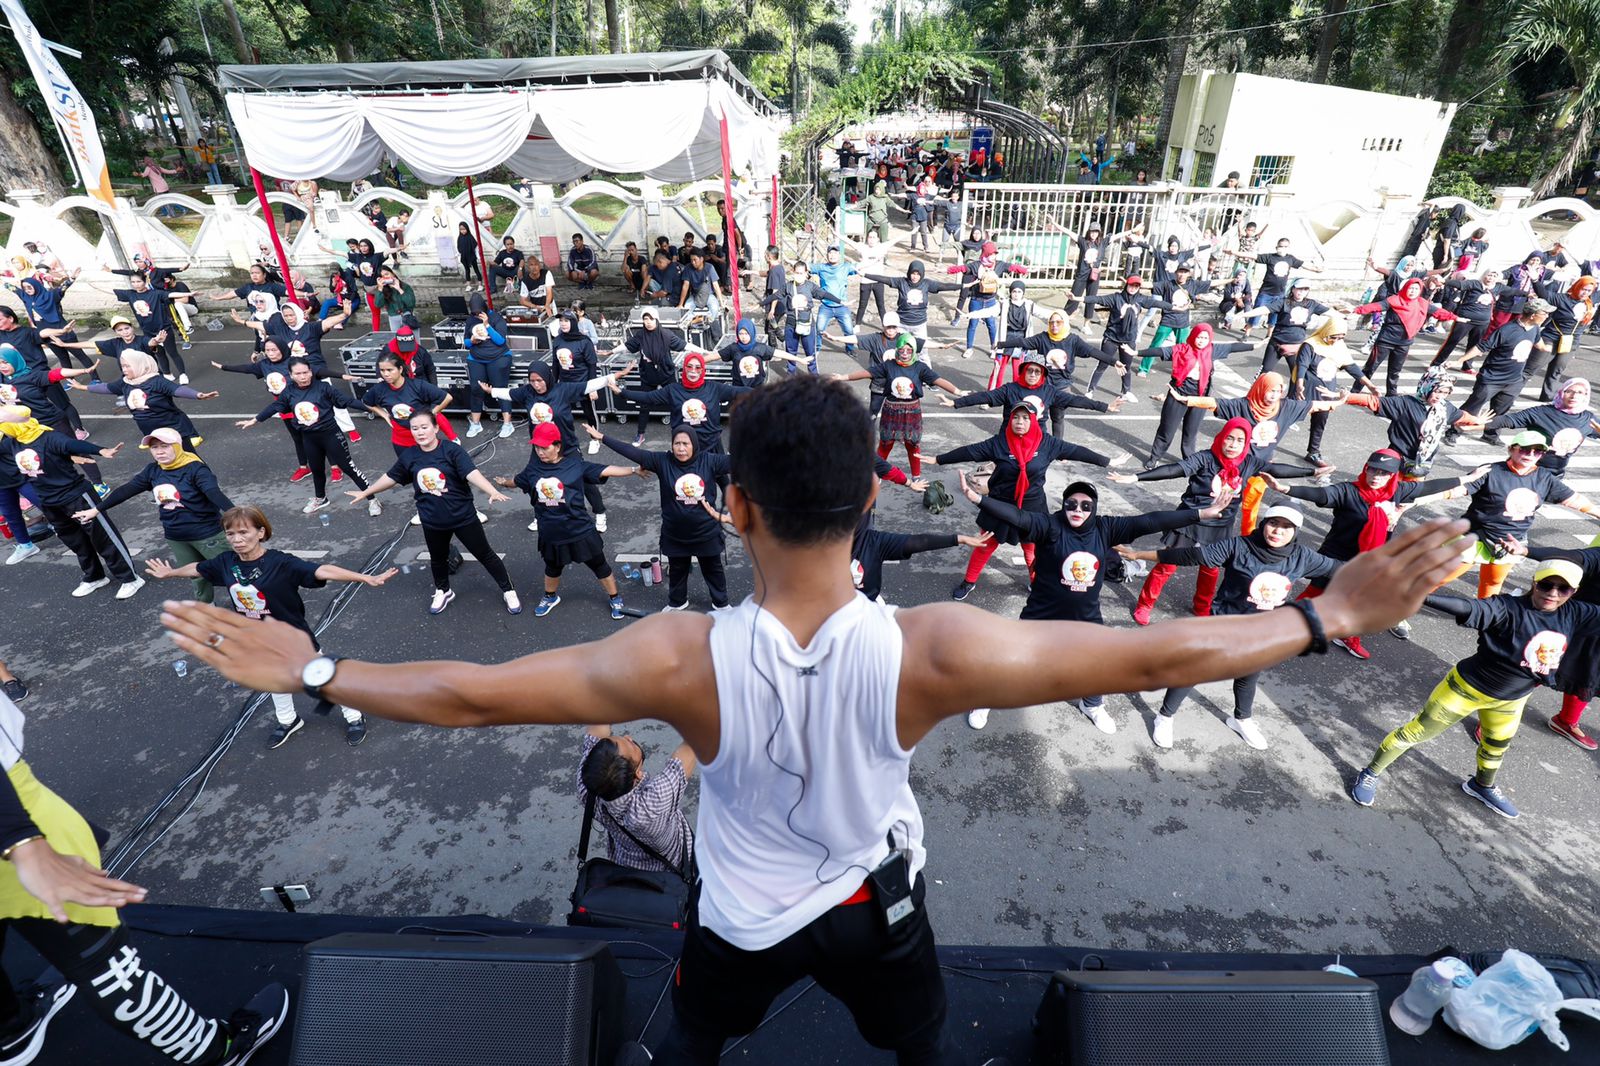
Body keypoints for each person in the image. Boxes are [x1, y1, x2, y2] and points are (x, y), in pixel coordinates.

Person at [158, 374, 1470, 1066]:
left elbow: (465, 693)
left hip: (735, 911)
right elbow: (1148, 654)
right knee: (912, 1029)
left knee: (698, 1032)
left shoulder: (682, 654)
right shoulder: (933, 647)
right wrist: (1327, 612)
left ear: (734, 507)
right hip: (875, 904)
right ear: (865, 504)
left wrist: (318, 671)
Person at [0, 683, 289, 1065]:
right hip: (18, 825)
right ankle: (217, 1052)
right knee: (106, 969)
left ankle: (10, 1030)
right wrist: (22, 841)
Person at [958, 471, 1229, 733]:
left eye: (1086, 505)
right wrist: (977, 498)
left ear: (1094, 508)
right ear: (1064, 505)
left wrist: (1200, 514)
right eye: (1071, 504)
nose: (1078, 509)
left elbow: (1151, 520)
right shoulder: (1049, 525)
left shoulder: (1106, 528)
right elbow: (1017, 515)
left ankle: (1092, 705)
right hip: (1042, 611)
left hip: (1085, 617)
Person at [1351, 558, 1600, 819]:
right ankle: (1370, 773)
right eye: (1547, 585)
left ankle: (1481, 785)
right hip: (1465, 690)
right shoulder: (1508, 608)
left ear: (1574, 591)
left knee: (1495, 747)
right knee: (1415, 732)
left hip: (1512, 701)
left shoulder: (1575, 613)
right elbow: (1469, 607)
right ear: (1534, 582)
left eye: (1564, 589)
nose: (1553, 593)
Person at [146, 505, 392, 747]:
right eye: (231, 534)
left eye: (244, 532)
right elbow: (199, 569)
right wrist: (172, 573)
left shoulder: (281, 563)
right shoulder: (225, 562)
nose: (237, 539)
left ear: (261, 533)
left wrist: (364, 577)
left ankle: (353, 714)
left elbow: (322, 570)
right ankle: (288, 720)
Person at [1119, 505, 1339, 749]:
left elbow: (1338, 569)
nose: (1277, 531)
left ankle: (1241, 719)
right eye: (1273, 523)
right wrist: (1139, 555)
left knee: (1248, 676)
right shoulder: (1239, 546)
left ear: (1296, 531)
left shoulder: (1303, 556)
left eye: (1286, 527)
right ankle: (1165, 716)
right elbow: (1192, 556)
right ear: (1263, 523)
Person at [1262, 449, 1482, 656]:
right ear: (1366, 468)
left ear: (1393, 476)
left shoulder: (1397, 492)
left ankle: (1347, 635)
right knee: (1315, 595)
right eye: (1373, 469)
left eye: (1385, 473)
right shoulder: (1348, 491)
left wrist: (1467, 478)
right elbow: (1322, 494)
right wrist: (1285, 489)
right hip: (1335, 557)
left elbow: (1430, 487)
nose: (1377, 476)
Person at [1114, 419, 1321, 624]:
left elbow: (1276, 470)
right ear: (1221, 437)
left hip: (1220, 525)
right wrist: (1137, 478)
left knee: (1210, 569)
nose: (1233, 444)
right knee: (1167, 563)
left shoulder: (1249, 462)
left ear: (1247, 443)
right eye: (1229, 438)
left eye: (1240, 440)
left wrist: (1311, 471)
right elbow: (1175, 469)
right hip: (1190, 520)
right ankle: (1145, 604)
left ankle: (1202, 607)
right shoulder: (1206, 458)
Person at [933, 404, 1115, 599]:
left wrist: (1106, 461)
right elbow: (970, 451)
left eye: (1025, 418)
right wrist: (939, 459)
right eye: (1016, 417)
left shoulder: (1047, 443)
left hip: (1032, 506)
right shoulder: (1000, 442)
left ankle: (1036, 583)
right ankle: (969, 582)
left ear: (1034, 420)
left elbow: (1076, 451)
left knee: (1032, 550)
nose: (1020, 422)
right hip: (999, 504)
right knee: (984, 544)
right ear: (1010, 420)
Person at [346, 411, 519, 616]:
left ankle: (508, 590)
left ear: (436, 428)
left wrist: (492, 491)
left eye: (424, 427)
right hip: (432, 520)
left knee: (485, 554)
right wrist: (367, 492)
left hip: (462, 516)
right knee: (438, 558)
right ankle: (443, 590)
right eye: (415, 428)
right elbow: (391, 477)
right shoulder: (409, 455)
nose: (420, 432)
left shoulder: (452, 451)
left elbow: (471, 473)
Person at [492, 422, 636, 619]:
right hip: (551, 533)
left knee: (600, 566)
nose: (540, 451)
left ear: (557, 446)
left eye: (545, 447)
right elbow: (516, 481)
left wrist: (635, 470)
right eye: (537, 447)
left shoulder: (575, 465)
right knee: (552, 568)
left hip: (580, 530)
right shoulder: (532, 470)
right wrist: (502, 484)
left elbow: (607, 470)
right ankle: (550, 597)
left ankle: (615, 598)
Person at [72, 428, 234, 602]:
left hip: (208, 536)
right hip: (177, 537)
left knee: (231, 574)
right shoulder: (153, 470)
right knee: (197, 577)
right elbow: (128, 489)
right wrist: (96, 509)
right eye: (155, 447)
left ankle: (250, 609)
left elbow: (213, 492)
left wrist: (236, 516)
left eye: (165, 446)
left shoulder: (196, 469)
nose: (159, 451)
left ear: (178, 446)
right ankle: (207, 608)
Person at [1433, 429, 1600, 598]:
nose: (1530, 454)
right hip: (1474, 535)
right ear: (1511, 449)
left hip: (1511, 542)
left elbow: (1575, 500)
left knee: (1493, 582)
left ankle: (1487, 618)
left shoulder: (1544, 478)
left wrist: (1597, 513)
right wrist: (1420, 495)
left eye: (1537, 451)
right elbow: (1459, 489)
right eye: (1525, 449)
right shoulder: (1490, 471)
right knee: (1441, 578)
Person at [586, 423, 733, 611]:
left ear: (694, 445)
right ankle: (677, 602)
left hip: (707, 533)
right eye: (677, 443)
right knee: (678, 570)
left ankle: (721, 603)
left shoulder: (710, 461)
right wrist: (602, 437)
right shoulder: (662, 461)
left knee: (713, 570)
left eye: (685, 444)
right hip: (675, 534)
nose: (680, 448)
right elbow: (632, 452)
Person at [0, 405, 137, 600]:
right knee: (76, 542)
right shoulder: (13, 444)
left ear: (14, 425)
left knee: (103, 538)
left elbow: (74, 445)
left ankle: (129, 578)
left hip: (75, 496)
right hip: (49, 501)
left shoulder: (49, 437)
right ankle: (94, 577)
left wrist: (102, 451)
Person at [234, 359, 376, 517]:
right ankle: (321, 498)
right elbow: (275, 406)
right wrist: (256, 420)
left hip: (331, 435)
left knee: (349, 468)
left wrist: (375, 409)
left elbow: (348, 401)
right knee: (316, 470)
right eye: (298, 373)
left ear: (311, 372)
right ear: (291, 375)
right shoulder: (289, 391)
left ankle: (371, 498)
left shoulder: (324, 388)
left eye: (305, 372)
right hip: (309, 438)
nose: (303, 376)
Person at [834, 335, 964, 477]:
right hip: (891, 410)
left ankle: (916, 476)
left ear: (914, 351)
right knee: (885, 443)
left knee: (912, 444)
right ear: (897, 350)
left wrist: (958, 391)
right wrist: (843, 377)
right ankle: (874, 475)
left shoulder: (920, 367)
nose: (905, 354)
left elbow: (938, 380)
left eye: (909, 350)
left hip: (912, 411)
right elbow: (867, 373)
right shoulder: (888, 365)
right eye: (902, 350)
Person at [578, 724, 695, 874]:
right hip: (674, 871)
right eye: (631, 745)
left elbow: (597, 723)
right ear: (638, 774)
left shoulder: (588, 787)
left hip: (626, 868)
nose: (628, 737)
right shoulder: (650, 807)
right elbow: (691, 745)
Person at [1136, 324, 1258, 464]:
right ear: (1194, 336)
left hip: (1200, 397)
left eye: (1205, 338)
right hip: (1178, 393)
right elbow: (1160, 351)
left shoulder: (1212, 349)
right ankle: (1155, 457)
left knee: (1191, 432)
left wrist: (1256, 345)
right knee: (1167, 429)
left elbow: (1233, 347)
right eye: (1199, 337)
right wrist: (1137, 353)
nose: (1202, 341)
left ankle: (1189, 460)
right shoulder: (1183, 349)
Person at [1343, 368, 1482, 481]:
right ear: (1426, 387)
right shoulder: (1405, 403)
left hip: (1421, 464)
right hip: (1397, 460)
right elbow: (1372, 401)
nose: (1440, 396)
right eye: (1437, 391)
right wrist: (1345, 397)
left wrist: (1477, 421)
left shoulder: (1445, 408)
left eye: (1446, 393)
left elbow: (1461, 416)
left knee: (1406, 500)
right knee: (1384, 496)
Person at [0, 348, 104, 490]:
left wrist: (84, 371)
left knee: (73, 449)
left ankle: (99, 483)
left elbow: (56, 374)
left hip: (52, 421)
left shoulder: (31, 376)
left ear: (15, 361)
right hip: (30, 429)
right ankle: (61, 487)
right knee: (44, 459)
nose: (2, 366)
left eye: (5, 362)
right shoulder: (3, 380)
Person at [1440, 298, 1552, 431]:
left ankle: (1491, 435)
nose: (1547, 316)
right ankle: (1454, 431)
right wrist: (1459, 360)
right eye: (1544, 313)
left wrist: (1547, 348)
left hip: (1513, 380)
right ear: (1533, 315)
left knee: (1500, 410)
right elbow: (1481, 347)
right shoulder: (1507, 330)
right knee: (1473, 407)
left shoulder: (1534, 329)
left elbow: (1538, 342)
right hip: (1491, 378)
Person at [77, 351, 218, 451]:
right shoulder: (125, 382)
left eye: (128, 366)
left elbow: (177, 389)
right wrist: (82, 387)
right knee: (164, 456)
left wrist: (198, 395)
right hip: (149, 428)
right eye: (123, 366)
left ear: (141, 365)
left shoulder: (156, 381)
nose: (124, 369)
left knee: (186, 455)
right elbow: (106, 388)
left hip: (173, 424)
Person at [1291, 316, 1379, 464]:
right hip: (1306, 389)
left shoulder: (1339, 346)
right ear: (1327, 331)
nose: (1336, 341)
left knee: (1320, 421)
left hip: (1326, 391)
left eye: (1341, 337)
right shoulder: (1311, 345)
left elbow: (1352, 367)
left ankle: (1313, 451)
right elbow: (1302, 365)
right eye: (1333, 337)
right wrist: (1299, 384)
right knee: (1290, 416)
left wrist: (1370, 385)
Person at [1483, 377, 1598, 478]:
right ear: (1562, 393)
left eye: (1580, 392)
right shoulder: (1542, 412)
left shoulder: (1588, 419)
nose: (1574, 396)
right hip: (1525, 469)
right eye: (1569, 391)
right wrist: (1472, 422)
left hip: (1554, 475)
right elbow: (1507, 420)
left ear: (1585, 396)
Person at [361, 351, 457, 455]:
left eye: (390, 370)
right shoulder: (379, 389)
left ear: (400, 369)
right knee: (407, 469)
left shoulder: (417, 385)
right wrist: (384, 415)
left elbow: (447, 398)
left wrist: (432, 413)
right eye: (382, 370)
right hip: (400, 441)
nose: (385, 374)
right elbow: (367, 402)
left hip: (424, 438)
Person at [110, 273, 193, 381]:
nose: (136, 284)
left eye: (138, 281)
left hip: (164, 329)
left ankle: (183, 374)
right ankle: (167, 374)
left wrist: (190, 294)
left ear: (145, 282)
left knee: (172, 352)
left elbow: (171, 295)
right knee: (159, 353)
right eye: (133, 282)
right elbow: (111, 291)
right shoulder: (130, 294)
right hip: (148, 331)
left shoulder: (155, 294)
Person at [463, 301, 515, 439]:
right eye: (474, 313)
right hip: (476, 358)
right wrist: (472, 341)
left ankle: (507, 424)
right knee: (475, 388)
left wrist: (487, 325)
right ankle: (475, 423)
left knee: (500, 388)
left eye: (479, 312)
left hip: (498, 357)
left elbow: (500, 341)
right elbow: (466, 342)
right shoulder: (470, 320)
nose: (477, 315)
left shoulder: (497, 319)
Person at [519, 254, 557, 319]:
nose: (534, 267)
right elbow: (522, 301)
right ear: (528, 267)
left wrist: (547, 306)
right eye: (531, 265)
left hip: (549, 304)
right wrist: (534, 306)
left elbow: (549, 291)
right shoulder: (525, 280)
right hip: (536, 306)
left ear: (539, 265)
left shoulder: (546, 273)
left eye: (536, 264)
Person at [456, 223, 481, 290]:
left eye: (464, 229)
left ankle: (480, 285)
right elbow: (458, 247)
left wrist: (477, 255)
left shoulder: (470, 237)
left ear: (467, 229)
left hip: (472, 256)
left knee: (476, 270)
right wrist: (458, 255)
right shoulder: (459, 238)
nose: (463, 231)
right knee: (467, 270)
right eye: (461, 229)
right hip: (464, 257)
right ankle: (468, 285)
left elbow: (475, 246)